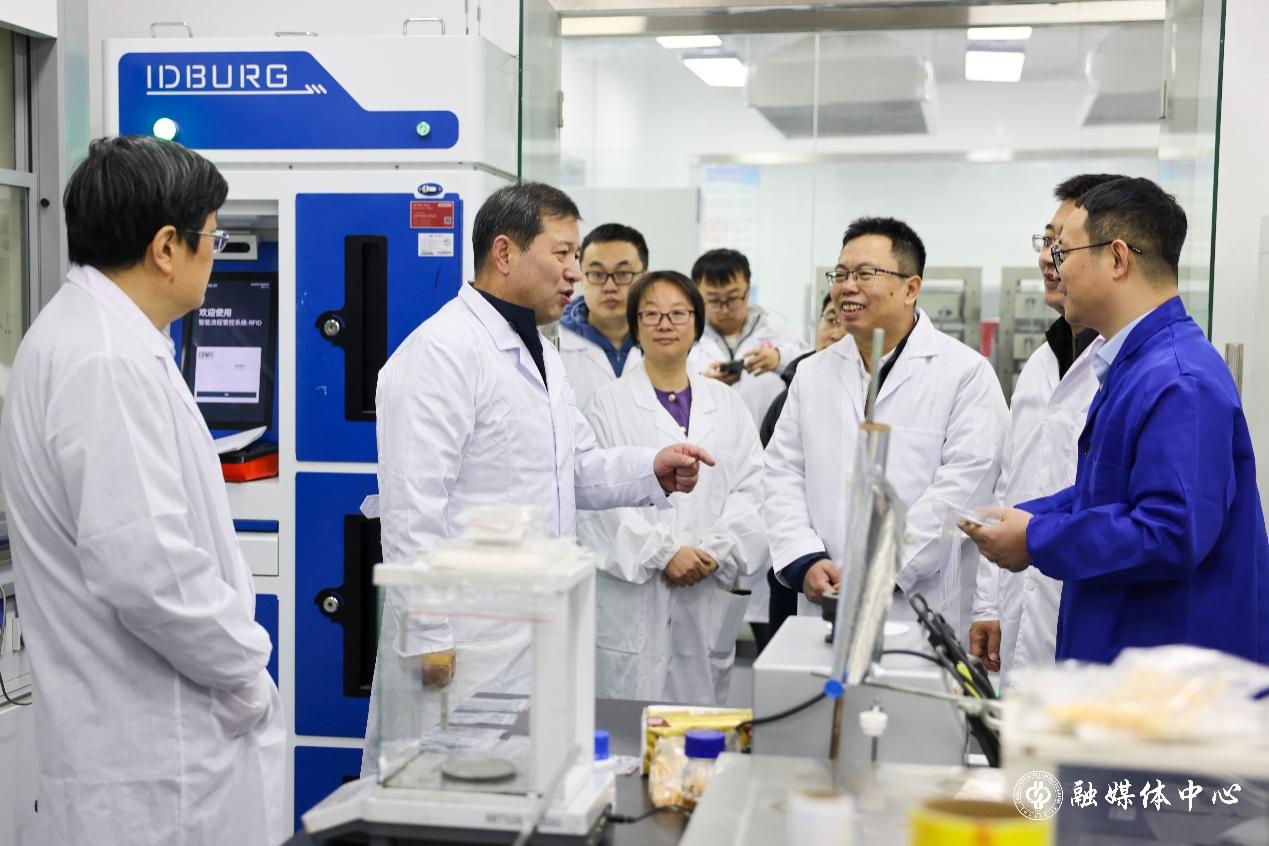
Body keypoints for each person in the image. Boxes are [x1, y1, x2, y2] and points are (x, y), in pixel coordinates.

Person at [365, 183, 714, 772]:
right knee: (442, 790)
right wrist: (429, 634)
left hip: (533, 629)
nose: (575, 272)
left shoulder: (542, 353)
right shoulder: (440, 352)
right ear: (505, 253)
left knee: (523, 790)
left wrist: (649, 468)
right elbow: (412, 507)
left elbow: (574, 468)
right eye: (563, 253)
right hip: (464, 642)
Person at [0, 136, 284, 845]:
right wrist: (244, 667)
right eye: (212, 240)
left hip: (142, 748)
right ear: (165, 247)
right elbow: (148, 571)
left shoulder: (98, 336)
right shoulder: (105, 359)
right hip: (156, 765)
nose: (215, 258)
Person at [963, 177, 1269, 665]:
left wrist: (1036, 539)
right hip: (1128, 661)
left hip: (1166, 674)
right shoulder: (1135, 365)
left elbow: (1169, 531)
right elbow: (1107, 492)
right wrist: (1031, 517)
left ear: (1117, 258)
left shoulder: (1179, 379)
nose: (1054, 268)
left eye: (1064, 252)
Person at [765, 217, 1008, 640]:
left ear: (911, 288)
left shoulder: (965, 374)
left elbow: (963, 490)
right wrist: (805, 559)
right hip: (826, 597)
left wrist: (877, 571)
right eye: (840, 274)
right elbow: (782, 473)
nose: (847, 286)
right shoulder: (812, 374)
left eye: (864, 274)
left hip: (920, 607)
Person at [578, 271, 768, 704]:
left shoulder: (728, 405)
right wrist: (662, 553)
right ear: (636, 326)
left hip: (708, 586)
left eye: (678, 314)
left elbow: (753, 489)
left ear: (697, 324)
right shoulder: (606, 404)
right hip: (633, 596)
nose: (665, 324)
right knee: (628, 724)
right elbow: (595, 500)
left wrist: (716, 550)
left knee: (698, 725)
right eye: (651, 314)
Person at [968, 174, 1122, 686]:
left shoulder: (1134, 369)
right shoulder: (1039, 364)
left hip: (1090, 607)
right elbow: (1011, 485)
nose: (1047, 258)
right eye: (1047, 241)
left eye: (1064, 245)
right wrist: (988, 603)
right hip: (1019, 603)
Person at [759, 293, 846, 643]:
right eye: (831, 319)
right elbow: (776, 480)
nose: (836, 332)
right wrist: (802, 555)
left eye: (846, 321)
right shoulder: (789, 398)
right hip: (795, 566)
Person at [692, 248, 808, 426]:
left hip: (768, 439)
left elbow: (812, 370)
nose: (725, 309)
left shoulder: (780, 334)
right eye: (714, 300)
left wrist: (781, 359)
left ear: (747, 290)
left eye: (733, 298)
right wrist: (703, 383)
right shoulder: (687, 341)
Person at [559, 223, 648, 409]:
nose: (609, 287)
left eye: (623, 274)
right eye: (597, 274)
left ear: (645, 279)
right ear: (581, 277)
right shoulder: (552, 345)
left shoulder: (674, 341)